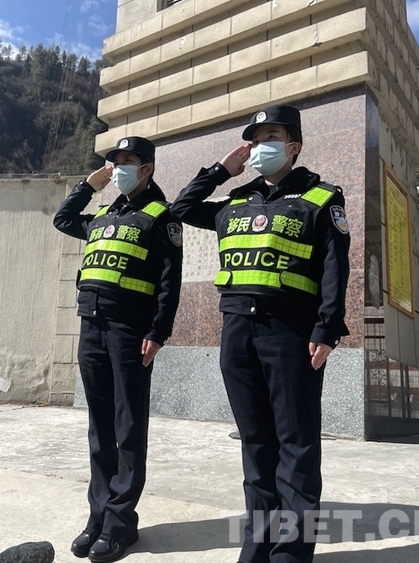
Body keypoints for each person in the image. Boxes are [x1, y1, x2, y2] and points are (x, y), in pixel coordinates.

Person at [170, 105, 350, 563]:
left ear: (293, 146)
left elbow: (335, 268)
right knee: (255, 445)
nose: (259, 146)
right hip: (237, 332)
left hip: (291, 333)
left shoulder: (321, 198)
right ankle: (258, 547)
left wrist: (327, 328)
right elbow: (181, 209)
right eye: (255, 138)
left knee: (296, 447)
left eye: (271, 137)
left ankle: (291, 554)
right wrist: (220, 171)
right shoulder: (236, 201)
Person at [53, 136, 183, 562]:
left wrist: (158, 331)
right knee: (100, 428)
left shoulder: (160, 216)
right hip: (91, 326)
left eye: (128, 161)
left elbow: (169, 280)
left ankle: (121, 523)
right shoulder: (104, 214)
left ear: (147, 168)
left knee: (127, 427)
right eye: (115, 161)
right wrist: (89, 185)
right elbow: (62, 219)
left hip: (130, 331)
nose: (119, 168)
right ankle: (98, 516)